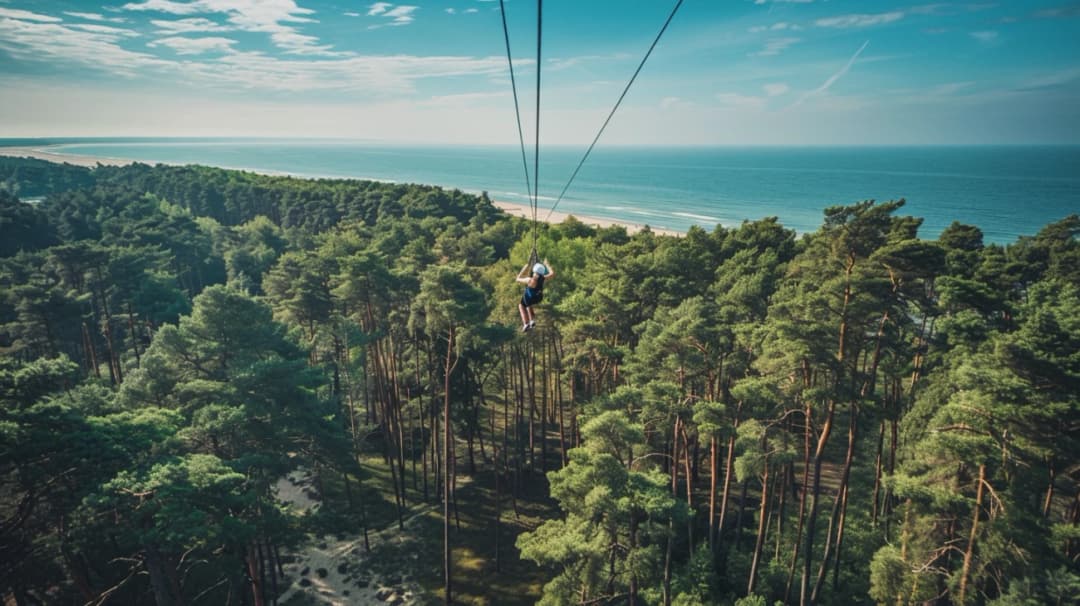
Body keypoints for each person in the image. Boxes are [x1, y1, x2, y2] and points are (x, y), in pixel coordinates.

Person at [516, 259, 554, 332]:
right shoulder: (543, 279)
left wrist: (524, 268)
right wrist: (547, 264)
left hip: (530, 298)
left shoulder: (529, 280)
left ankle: (527, 323)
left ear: (534, 272)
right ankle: (531, 321)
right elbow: (552, 274)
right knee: (525, 303)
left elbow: (517, 279)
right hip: (539, 297)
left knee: (522, 304)